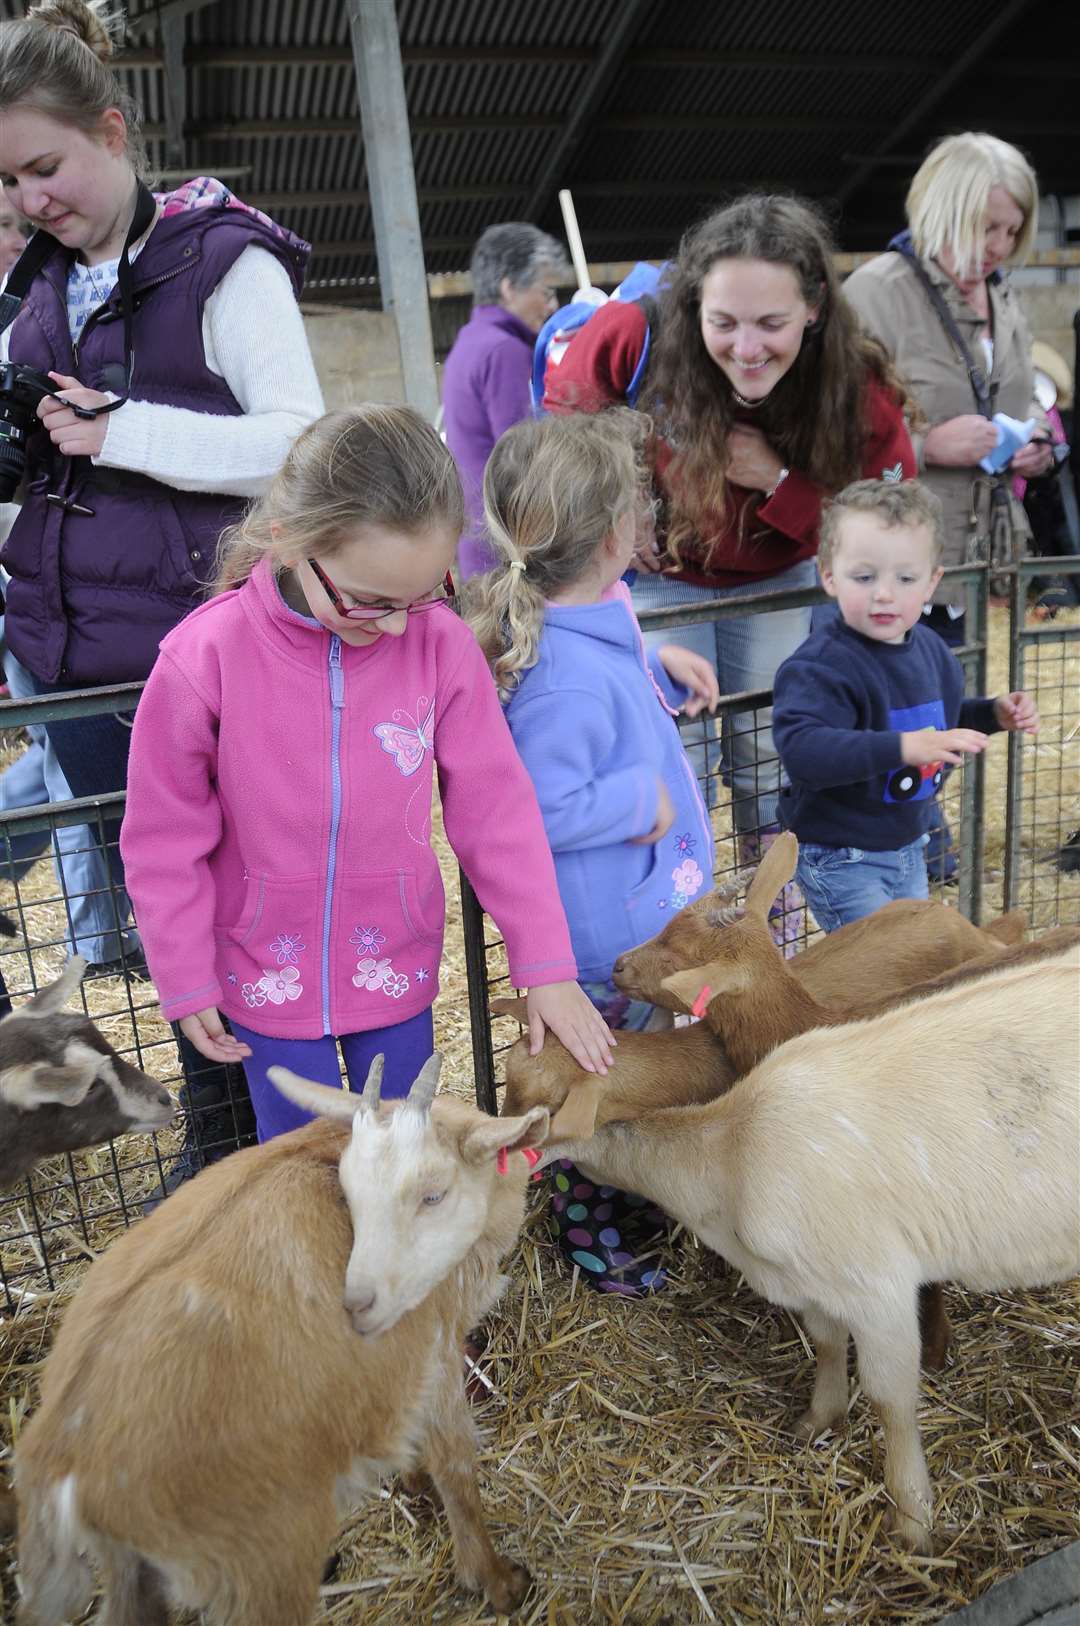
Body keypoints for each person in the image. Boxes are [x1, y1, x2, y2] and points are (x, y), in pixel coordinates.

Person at [0, 0, 324, 1177]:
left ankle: (254, 1133)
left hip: (199, 648)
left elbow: (301, 440)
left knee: (246, 902)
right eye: (10, 180)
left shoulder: (223, 263)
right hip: (78, 658)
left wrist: (118, 431)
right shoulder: (38, 290)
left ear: (115, 130)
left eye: (48, 164)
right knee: (163, 910)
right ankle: (225, 1134)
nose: (34, 197)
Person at [119, 405, 616, 1143]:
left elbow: (496, 811)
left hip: (395, 962)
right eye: (370, 601)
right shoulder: (204, 658)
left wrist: (543, 961)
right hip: (266, 973)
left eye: (423, 594)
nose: (393, 626)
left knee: (407, 1149)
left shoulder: (440, 645)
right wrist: (184, 974)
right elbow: (164, 835)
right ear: (288, 540)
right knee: (306, 1162)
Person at [543, 195, 916, 946]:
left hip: (775, 580)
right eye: (724, 323)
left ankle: (764, 928)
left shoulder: (852, 382)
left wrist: (783, 484)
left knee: (766, 754)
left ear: (812, 308)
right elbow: (564, 427)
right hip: (653, 580)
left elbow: (888, 510)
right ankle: (674, 930)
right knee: (670, 758)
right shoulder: (635, 335)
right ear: (694, 305)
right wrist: (619, 504)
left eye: (771, 324)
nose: (747, 348)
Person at [467, 410, 717, 1294]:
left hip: (635, 915)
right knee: (591, 1094)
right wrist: (632, 801)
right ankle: (593, 1233)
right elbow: (532, 805)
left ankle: (638, 1209)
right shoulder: (565, 675)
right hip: (601, 938)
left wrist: (662, 657)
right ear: (618, 533)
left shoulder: (584, 624)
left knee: (635, 1079)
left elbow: (609, 639)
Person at [842, 133, 1052, 879]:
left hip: (966, 550)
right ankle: (894, 851)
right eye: (984, 226)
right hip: (894, 549)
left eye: (1009, 229)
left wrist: (1037, 450)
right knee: (887, 704)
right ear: (942, 209)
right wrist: (930, 447)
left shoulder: (1003, 295)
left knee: (944, 697)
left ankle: (924, 840)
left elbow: (1026, 400)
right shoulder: (874, 292)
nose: (998, 245)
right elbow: (839, 430)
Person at [772, 480, 1039, 931]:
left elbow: (939, 720)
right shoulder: (821, 666)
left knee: (908, 962)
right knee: (880, 972)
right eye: (864, 576)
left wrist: (992, 713)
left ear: (933, 581)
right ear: (829, 575)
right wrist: (902, 748)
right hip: (842, 853)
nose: (884, 593)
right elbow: (804, 751)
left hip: (908, 844)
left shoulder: (932, 650)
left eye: (906, 578)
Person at [442, 221, 568, 578]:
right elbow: (522, 458)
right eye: (545, 292)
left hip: (478, 536)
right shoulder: (505, 351)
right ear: (509, 288)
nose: (552, 304)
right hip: (507, 544)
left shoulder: (470, 341)